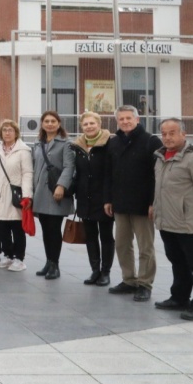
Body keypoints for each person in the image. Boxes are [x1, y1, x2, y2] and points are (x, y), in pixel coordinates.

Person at [152, 118, 193, 321]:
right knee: (177, 262)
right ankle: (179, 297)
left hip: (188, 223)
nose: (167, 137)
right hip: (167, 221)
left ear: (183, 134)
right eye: (164, 133)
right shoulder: (160, 157)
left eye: (172, 133)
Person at [104, 105, 163, 302]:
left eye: (129, 118)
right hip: (120, 203)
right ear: (117, 122)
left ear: (137, 120)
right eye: (121, 119)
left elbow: (157, 175)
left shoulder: (150, 141)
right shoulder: (113, 142)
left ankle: (145, 284)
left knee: (145, 246)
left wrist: (153, 202)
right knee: (122, 244)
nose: (125, 122)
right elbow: (109, 173)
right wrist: (108, 199)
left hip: (142, 205)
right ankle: (129, 280)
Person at [0, 119, 33, 272]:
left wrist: (27, 195)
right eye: (4, 130)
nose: (7, 133)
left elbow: (27, 173)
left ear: (16, 132)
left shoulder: (24, 151)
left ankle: (19, 258)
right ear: (0, 133)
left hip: (15, 195)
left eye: (10, 130)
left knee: (17, 228)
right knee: (1, 228)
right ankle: (8, 255)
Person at [70, 111, 114, 286]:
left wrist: (109, 198)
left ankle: (106, 272)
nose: (89, 126)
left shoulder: (110, 143)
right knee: (90, 235)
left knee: (106, 236)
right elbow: (78, 173)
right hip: (84, 198)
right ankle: (95, 270)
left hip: (103, 199)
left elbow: (111, 173)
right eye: (86, 124)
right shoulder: (78, 146)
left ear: (99, 124)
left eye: (92, 123)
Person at [31, 111, 76, 280]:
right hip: (41, 193)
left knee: (54, 229)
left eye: (53, 121)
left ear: (59, 124)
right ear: (42, 124)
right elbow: (34, 167)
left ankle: (55, 265)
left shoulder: (66, 144)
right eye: (46, 121)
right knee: (45, 229)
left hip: (57, 193)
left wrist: (61, 186)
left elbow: (69, 167)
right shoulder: (37, 143)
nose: (49, 124)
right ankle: (48, 261)